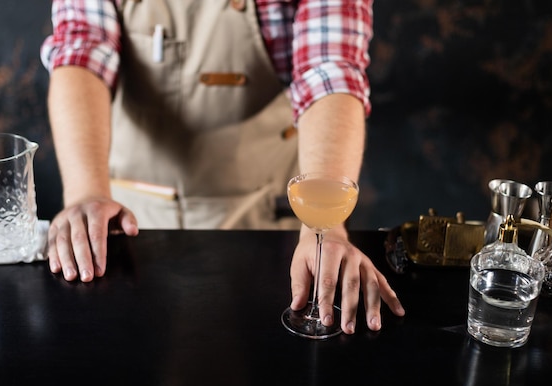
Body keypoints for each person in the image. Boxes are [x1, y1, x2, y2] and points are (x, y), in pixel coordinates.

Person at [40, 0, 405, 334]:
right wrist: (85, 192)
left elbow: (329, 71)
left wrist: (324, 226)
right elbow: (81, 52)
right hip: (136, 226)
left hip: (272, 229)